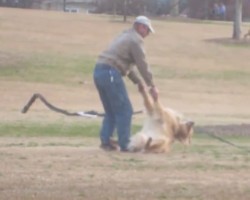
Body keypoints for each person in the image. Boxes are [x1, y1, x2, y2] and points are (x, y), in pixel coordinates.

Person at [93, 16, 159, 152]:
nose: (147, 35)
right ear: (141, 27)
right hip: (111, 73)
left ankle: (106, 141)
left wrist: (138, 82)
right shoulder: (136, 40)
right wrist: (152, 85)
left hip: (99, 71)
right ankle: (126, 144)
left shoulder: (125, 36)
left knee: (111, 111)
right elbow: (142, 64)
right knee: (125, 110)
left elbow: (125, 65)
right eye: (148, 31)